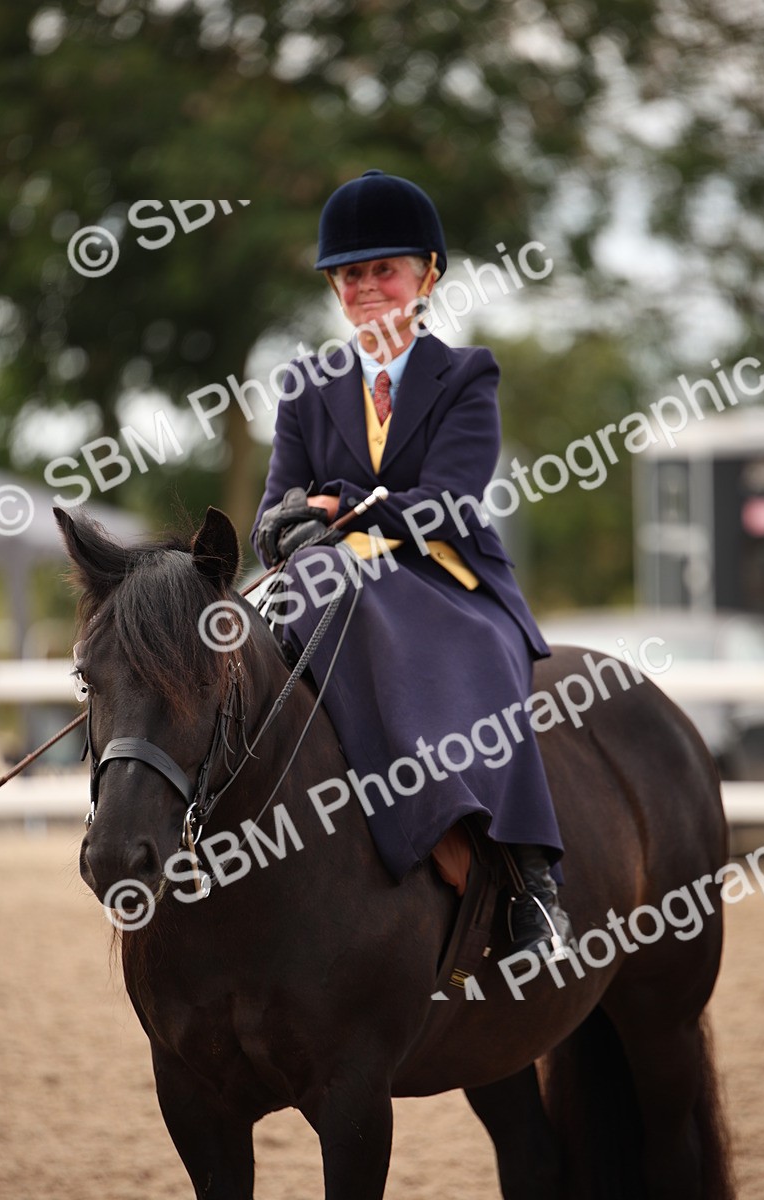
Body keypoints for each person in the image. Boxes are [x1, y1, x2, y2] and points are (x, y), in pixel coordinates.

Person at [251, 169, 573, 962]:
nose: (366, 288)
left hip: (441, 576)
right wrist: (294, 523)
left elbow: (448, 505)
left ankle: (530, 877)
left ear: (427, 275)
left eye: (383, 270)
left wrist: (336, 504)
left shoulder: (466, 375)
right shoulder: (304, 388)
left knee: (481, 652)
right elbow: (271, 520)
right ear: (334, 287)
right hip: (330, 580)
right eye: (350, 275)